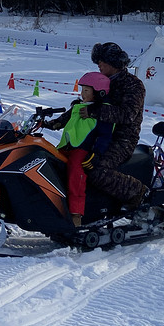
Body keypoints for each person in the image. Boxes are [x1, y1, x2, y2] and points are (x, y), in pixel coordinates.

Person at [83, 42, 149, 211]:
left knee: (96, 170)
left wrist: (95, 110)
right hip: (97, 134)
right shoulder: (101, 82)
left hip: (123, 139)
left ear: (113, 62)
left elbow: (128, 114)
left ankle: (136, 191)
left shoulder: (133, 85)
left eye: (102, 61)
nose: (99, 64)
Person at [44, 71, 113, 226]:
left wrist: (96, 154)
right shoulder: (78, 106)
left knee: (76, 173)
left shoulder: (102, 111)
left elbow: (104, 136)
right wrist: (51, 123)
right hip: (66, 147)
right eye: (82, 90)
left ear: (99, 93)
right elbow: (64, 119)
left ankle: (76, 214)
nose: (82, 94)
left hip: (82, 151)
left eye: (87, 91)